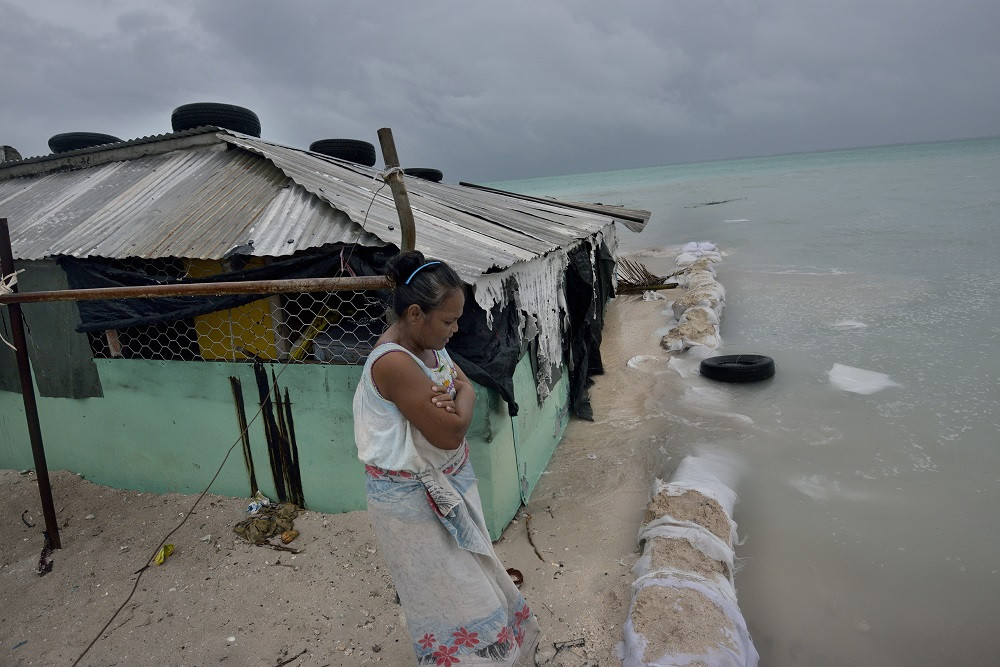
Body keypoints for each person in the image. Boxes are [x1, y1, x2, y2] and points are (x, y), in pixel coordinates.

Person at [353, 251, 540, 665]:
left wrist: (461, 397)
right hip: (412, 502)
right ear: (415, 314)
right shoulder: (395, 363)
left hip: (443, 486)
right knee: (450, 590)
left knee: (469, 578)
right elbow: (451, 433)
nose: (455, 330)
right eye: (448, 321)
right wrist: (462, 400)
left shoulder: (430, 347)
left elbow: (462, 390)